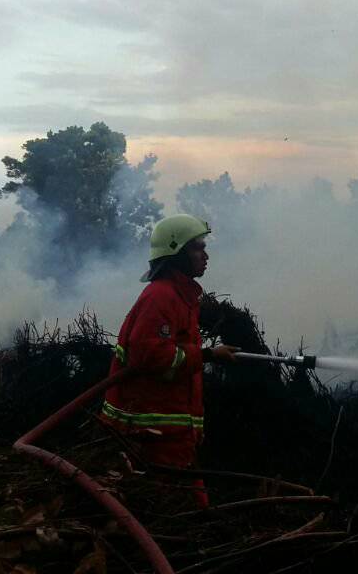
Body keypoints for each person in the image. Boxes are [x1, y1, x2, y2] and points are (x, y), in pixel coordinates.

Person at [101, 214, 237, 508]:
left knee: (192, 511)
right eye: (197, 248)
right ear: (177, 253)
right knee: (179, 512)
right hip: (152, 437)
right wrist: (208, 355)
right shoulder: (162, 297)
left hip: (172, 436)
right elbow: (150, 356)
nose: (205, 256)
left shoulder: (181, 297)